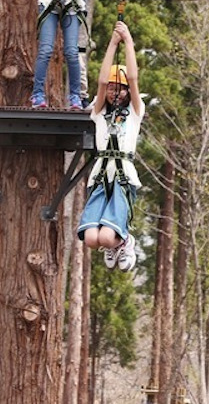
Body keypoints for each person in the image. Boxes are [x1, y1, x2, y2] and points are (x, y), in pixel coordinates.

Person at [77, 21, 143, 272]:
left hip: (122, 177)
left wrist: (127, 42)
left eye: (121, 89)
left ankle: (124, 240)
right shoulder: (98, 112)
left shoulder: (134, 113)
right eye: (113, 89)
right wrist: (112, 44)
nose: (116, 93)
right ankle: (115, 243)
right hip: (101, 176)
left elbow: (134, 78)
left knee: (106, 237)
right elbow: (102, 81)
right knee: (92, 239)